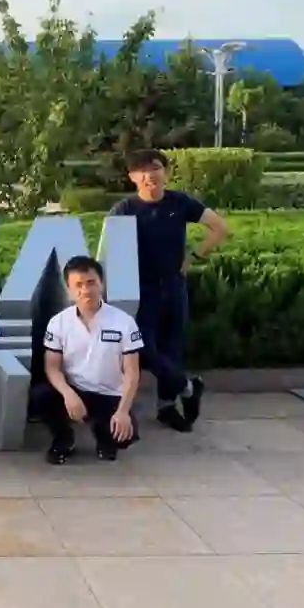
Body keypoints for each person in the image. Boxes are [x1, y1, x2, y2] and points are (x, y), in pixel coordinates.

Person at [110, 149, 228, 432]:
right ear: (132, 177)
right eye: (142, 171)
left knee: (172, 348)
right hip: (142, 290)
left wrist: (194, 256)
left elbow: (219, 227)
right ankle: (188, 387)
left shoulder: (180, 202)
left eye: (155, 168)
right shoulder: (124, 210)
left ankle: (167, 408)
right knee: (142, 349)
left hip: (174, 286)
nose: (149, 175)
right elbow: (109, 252)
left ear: (165, 172)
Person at [40, 255, 143, 464]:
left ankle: (103, 436)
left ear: (101, 284)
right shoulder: (58, 323)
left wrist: (123, 411)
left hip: (109, 395)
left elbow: (132, 372)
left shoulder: (124, 322)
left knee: (124, 436)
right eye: (78, 285)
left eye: (91, 283)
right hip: (76, 389)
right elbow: (52, 367)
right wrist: (68, 394)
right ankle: (64, 439)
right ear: (69, 289)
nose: (86, 290)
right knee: (40, 397)